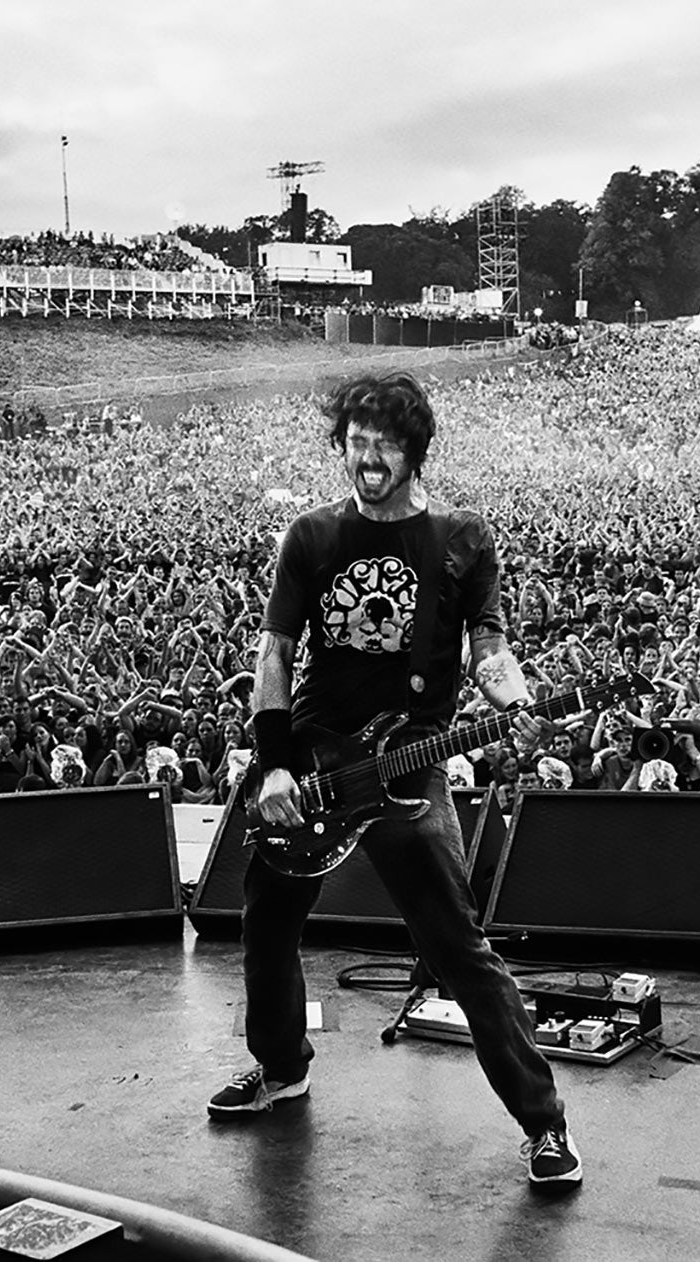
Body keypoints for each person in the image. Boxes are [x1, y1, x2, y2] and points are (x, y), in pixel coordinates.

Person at [212, 372, 581, 1189]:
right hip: (311, 756)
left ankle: (544, 1124)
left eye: (383, 441)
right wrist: (274, 762)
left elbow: (488, 647)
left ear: (414, 448)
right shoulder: (310, 535)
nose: (366, 456)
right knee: (267, 921)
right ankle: (281, 1068)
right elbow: (274, 652)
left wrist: (513, 700)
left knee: (456, 946)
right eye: (355, 439)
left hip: (410, 764)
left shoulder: (460, 538)